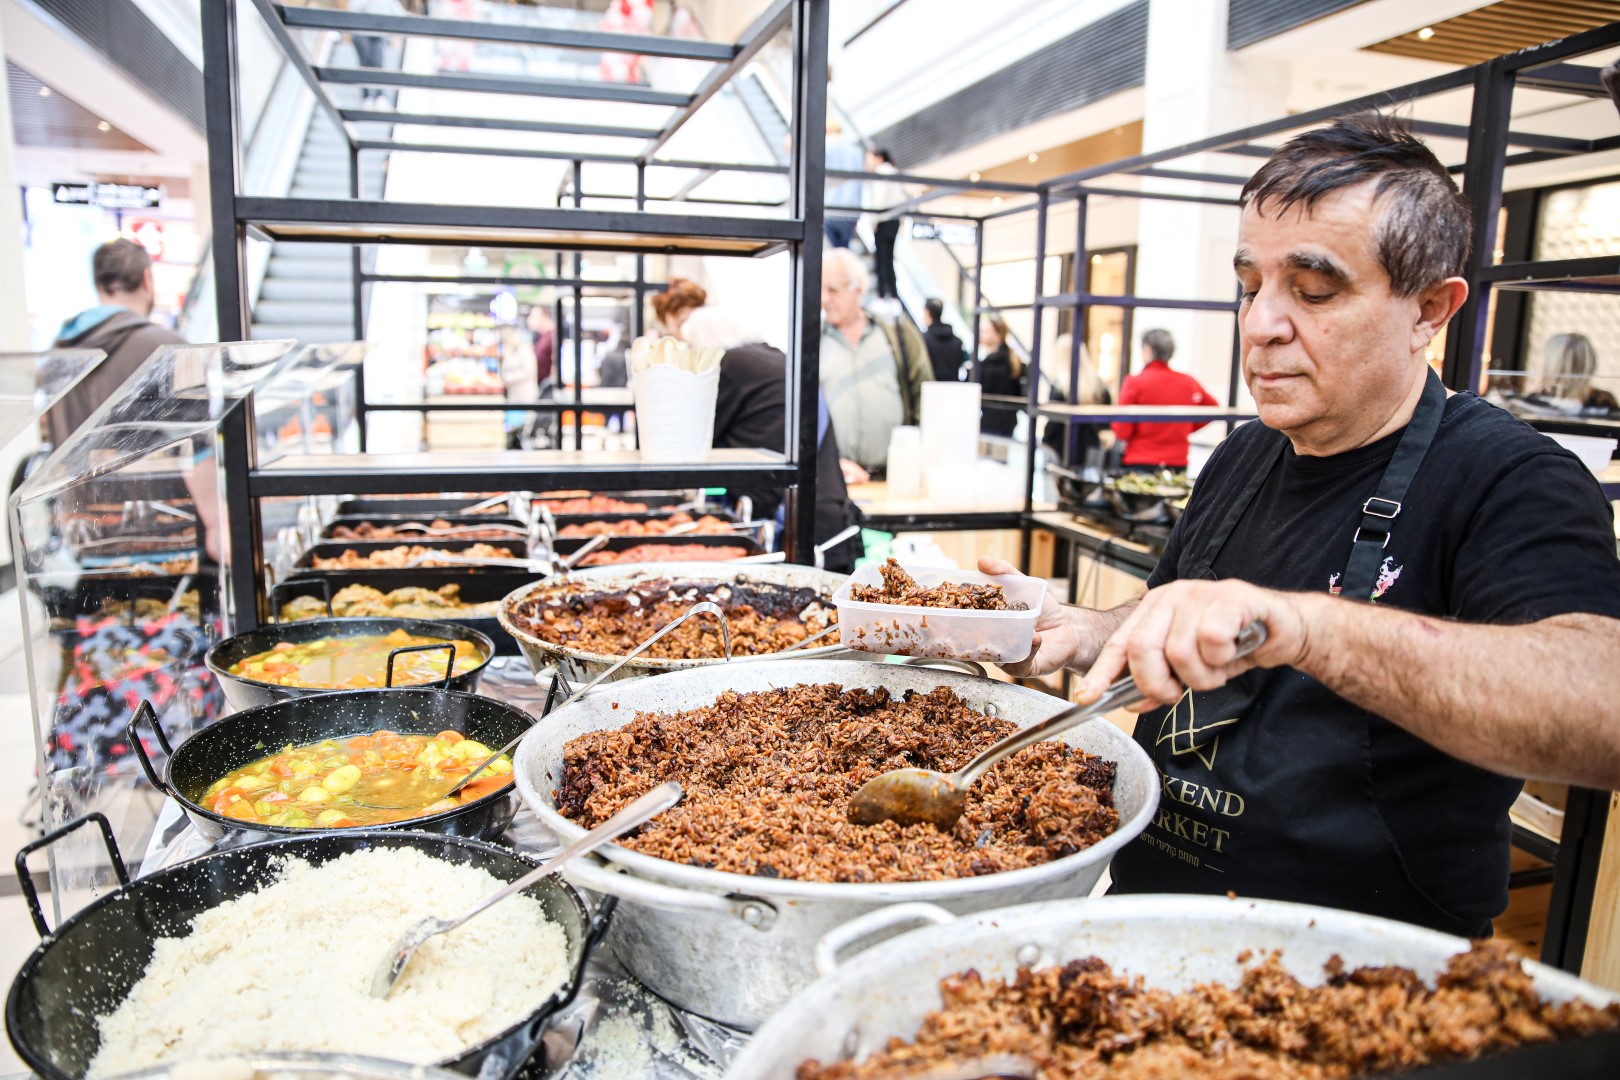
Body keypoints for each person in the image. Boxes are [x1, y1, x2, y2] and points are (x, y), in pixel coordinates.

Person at [979, 112, 1620, 939]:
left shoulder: (1508, 478)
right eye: (1251, 286)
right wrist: (1083, 629)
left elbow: (1600, 702)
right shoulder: (1244, 454)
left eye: (1314, 290)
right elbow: (1178, 624)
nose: (1261, 323)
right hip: (1150, 928)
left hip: (1361, 985)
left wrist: (1309, 626)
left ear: (1430, 307)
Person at [682, 307, 864, 572]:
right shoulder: (777, 359)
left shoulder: (732, 364)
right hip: (826, 518)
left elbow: (696, 437)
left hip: (789, 529)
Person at [48, 238, 185, 450]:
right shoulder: (168, 347)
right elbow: (195, 448)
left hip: (75, 484)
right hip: (150, 483)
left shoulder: (62, 347)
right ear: (146, 278)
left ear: (99, 284)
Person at [819, 248, 930, 478]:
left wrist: (915, 460)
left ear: (857, 290)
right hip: (832, 478)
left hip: (893, 478)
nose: (823, 299)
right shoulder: (812, 340)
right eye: (820, 289)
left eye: (832, 290)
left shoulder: (898, 335)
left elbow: (924, 396)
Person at [1109, 329, 1214, 468]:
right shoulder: (1188, 382)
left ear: (1148, 350)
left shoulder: (1135, 382)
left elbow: (1122, 430)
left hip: (1140, 460)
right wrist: (1185, 427)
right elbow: (1212, 408)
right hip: (1177, 461)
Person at [864, 149, 904, 299]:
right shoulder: (894, 172)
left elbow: (879, 200)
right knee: (889, 260)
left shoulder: (881, 172)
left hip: (883, 220)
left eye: (870, 160)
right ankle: (893, 295)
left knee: (881, 259)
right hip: (894, 221)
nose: (868, 164)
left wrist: (874, 220)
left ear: (879, 159)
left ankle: (882, 295)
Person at [975, 317, 1023, 438]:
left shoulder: (992, 363)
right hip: (1007, 422)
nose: (981, 334)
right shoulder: (1012, 359)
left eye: (985, 331)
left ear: (997, 335)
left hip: (991, 423)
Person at [824, 124, 865, 250]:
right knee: (843, 249)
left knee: (830, 251)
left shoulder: (825, 147)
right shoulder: (856, 151)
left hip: (829, 208)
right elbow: (859, 183)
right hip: (850, 209)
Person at [921, 298, 967, 383]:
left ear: (927, 312)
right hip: (952, 390)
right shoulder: (958, 342)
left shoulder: (922, 340)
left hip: (930, 390)